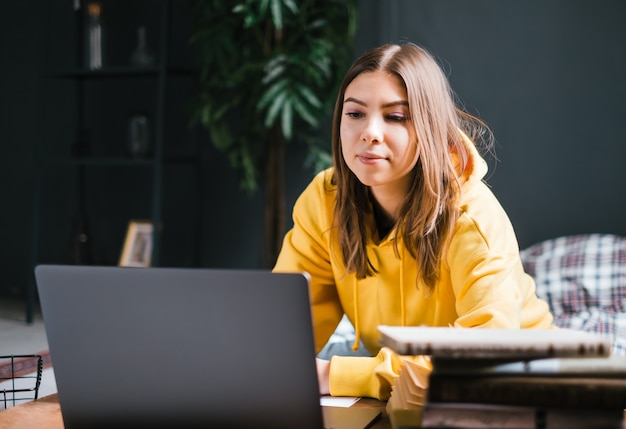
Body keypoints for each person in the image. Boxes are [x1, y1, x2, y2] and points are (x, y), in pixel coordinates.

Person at [272, 42, 555, 400]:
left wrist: (334, 374)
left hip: (515, 376)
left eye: (396, 117)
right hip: (403, 385)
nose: (370, 132)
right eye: (355, 113)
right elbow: (283, 334)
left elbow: (484, 357)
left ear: (429, 127)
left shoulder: (473, 217)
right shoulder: (324, 199)